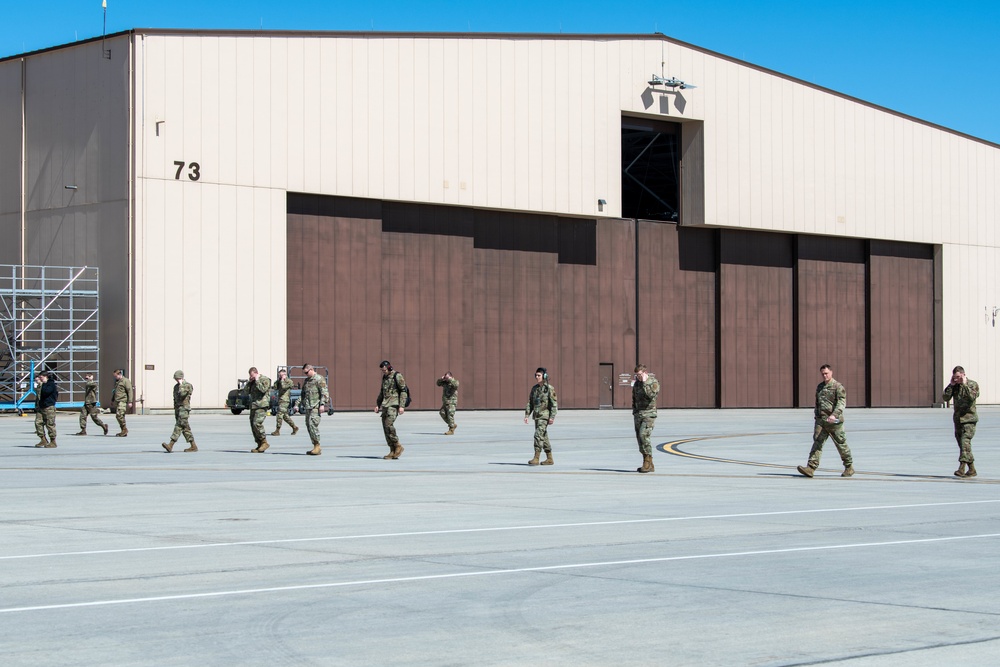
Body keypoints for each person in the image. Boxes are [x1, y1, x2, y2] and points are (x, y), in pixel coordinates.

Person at [797, 364, 854, 478]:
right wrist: (817, 416)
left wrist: (834, 415)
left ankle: (849, 467)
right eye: (823, 374)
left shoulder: (838, 386)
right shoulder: (820, 387)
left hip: (834, 422)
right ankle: (811, 468)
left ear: (831, 372)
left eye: (826, 373)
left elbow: (841, 403)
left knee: (841, 444)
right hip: (821, 421)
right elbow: (818, 403)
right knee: (817, 443)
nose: (825, 375)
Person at [944, 365, 980, 478]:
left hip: (969, 419)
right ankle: (972, 469)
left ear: (963, 375)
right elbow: (945, 397)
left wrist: (964, 384)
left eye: (958, 377)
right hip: (958, 420)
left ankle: (961, 468)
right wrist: (951, 385)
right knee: (963, 446)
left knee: (965, 441)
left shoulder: (972, 384)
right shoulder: (954, 386)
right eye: (954, 377)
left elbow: (972, 397)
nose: (956, 379)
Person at [524, 367, 558, 465]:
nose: (537, 377)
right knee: (544, 437)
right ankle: (549, 458)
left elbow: (554, 404)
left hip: (544, 416)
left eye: (539, 375)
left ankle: (536, 458)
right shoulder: (534, 389)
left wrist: (552, 417)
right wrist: (527, 415)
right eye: (536, 375)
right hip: (537, 416)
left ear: (544, 376)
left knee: (538, 435)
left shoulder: (549, 389)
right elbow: (530, 402)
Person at [375, 360, 408, 459]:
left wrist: (402, 406)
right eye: (382, 370)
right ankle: (392, 450)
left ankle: (397, 445)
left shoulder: (397, 376)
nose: (383, 372)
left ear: (389, 368)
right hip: (385, 405)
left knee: (389, 425)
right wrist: (378, 404)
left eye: (384, 370)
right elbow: (382, 392)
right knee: (385, 428)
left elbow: (403, 391)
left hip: (393, 405)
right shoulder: (385, 377)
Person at [632, 364, 660, 473]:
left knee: (644, 435)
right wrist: (634, 411)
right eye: (636, 375)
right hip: (638, 414)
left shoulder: (653, 383)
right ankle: (648, 462)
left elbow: (651, 395)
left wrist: (644, 383)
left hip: (649, 414)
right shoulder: (636, 384)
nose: (638, 377)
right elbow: (634, 398)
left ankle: (647, 462)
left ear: (645, 372)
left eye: (639, 375)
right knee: (640, 439)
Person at [162, 370, 196, 452]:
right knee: (185, 428)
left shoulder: (187, 385)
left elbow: (182, 394)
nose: (176, 380)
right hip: (178, 409)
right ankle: (193, 446)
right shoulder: (176, 387)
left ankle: (171, 444)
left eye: (178, 378)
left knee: (179, 426)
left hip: (184, 409)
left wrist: (181, 385)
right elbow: (175, 399)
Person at [301, 363, 330, 455]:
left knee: (313, 425)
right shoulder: (307, 381)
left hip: (315, 406)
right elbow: (303, 394)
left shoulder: (319, 379)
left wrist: (322, 404)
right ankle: (315, 445)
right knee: (308, 426)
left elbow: (324, 392)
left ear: (311, 370)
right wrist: (298, 404)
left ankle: (317, 446)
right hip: (308, 406)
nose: (306, 374)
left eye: (306, 372)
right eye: (304, 373)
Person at [246, 367, 272, 453]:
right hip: (253, 405)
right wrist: (249, 383)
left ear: (256, 373)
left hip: (261, 405)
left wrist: (257, 380)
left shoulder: (265, 379)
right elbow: (245, 392)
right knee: (253, 426)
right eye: (251, 376)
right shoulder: (252, 382)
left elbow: (263, 389)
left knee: (257, 423)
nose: (252, 377)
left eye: (252, 376)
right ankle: (259, 444)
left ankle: (264, 442)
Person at [75, 372, 108, 436]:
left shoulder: (93, 384)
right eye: (86, 377)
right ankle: (83, 430)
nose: (86, 379)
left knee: (94, 417)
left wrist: (90, 379)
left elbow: (93, 385)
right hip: (86, 403)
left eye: (88, 377)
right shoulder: (88, 383)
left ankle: (104, 426)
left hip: (91, 403)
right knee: (82, 416)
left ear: (91, 377)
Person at [33, 369, 58, 448]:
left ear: (46, 377)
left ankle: (53, 441)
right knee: (38, 423)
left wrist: (42, 385)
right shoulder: (42, 385)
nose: (40, 379)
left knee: (50, 424)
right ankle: (43, 439)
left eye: (41, 377)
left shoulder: (50, 384)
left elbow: (45, 392)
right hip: (41, 407)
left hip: (49, 407)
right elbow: (38, 396)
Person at [270, 368, 299, 436]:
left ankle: (277, 430)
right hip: (280, 400)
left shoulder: (289, 381)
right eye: (279, 375)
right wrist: (278, 380)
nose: (280, 377)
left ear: (285, 375)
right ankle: (294, 427)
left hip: (285, 400)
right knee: (285, 416)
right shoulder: (280, 381)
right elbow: (275, 387)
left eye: (281, 375)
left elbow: (283, 387)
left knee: (279, 414)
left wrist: (283, 380)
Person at [111, 369, 133, 437]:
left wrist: (130, 401)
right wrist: (112, 400)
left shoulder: (125, 381)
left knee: (119, 415)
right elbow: (115, 392)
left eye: (116, 376)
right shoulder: (117, 382)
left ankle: (124, 429)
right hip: (118, 401)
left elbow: (130, 391)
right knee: (120, 416)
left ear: (120, 374)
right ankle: (123, 430)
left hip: (122, 401)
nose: (115, 377)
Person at [436, 371, 459, 435]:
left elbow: (456, 385)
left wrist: (450, 379)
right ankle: (452, 424)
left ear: (451, 376)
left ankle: (451, 430)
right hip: (445, 402)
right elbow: (438, 383)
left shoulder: (454, 381)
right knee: (442, 413)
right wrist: (442, 379)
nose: (446, 379)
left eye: (447, 377)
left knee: (450, 415)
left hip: (452, 402)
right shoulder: (445, 383)